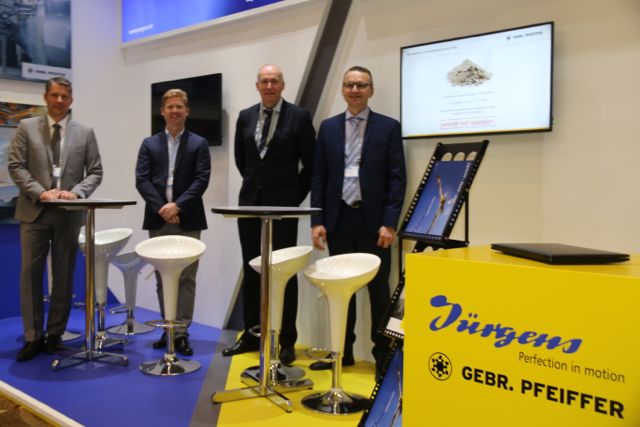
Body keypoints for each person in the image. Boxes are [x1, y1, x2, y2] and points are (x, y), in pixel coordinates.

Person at [310, 66, 406, 376]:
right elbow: (319, 177)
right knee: (341, 290)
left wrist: (390, 223)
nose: (355, 90)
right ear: (342, 90)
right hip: (338, 221)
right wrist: (318, 220)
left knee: (379, 292)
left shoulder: (388, 127)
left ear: (371, 90)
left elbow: (397, 178)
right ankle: (342, 352)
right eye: (350, 85)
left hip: (375, 224)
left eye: (361, 85)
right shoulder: (327, 128)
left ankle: (383, 357)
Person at [223, 64, 315, 365]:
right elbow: (243, 160)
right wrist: (257, 188)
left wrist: (292, 198)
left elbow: (311, 165)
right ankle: (252, 335)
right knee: (252, 272)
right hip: (250, 206)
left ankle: (287, 341)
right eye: (264, 81)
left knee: (285, 272)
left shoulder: (299, 117)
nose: (269, 86)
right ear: (257, 85)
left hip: (284, 209)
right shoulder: (246, 117)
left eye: (274, 81)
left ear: (282, 85)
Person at [8, 76, 103, 361]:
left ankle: (55, 335)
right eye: (55, 95)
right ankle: (32, 337)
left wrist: (76, 192)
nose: (59, 100)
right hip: (34, 211)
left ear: (71, 100)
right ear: (46, 97)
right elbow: (15, 165)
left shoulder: (85, 132)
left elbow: (95, 171)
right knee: (30, 275)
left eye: (65, 96)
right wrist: (40, 192)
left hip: (67, 214)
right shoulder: (26, 127)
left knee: (64, 275)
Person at [135, 88, 211, 356]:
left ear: (187, 111)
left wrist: (177, 206)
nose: (175, 111)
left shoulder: (199, 143)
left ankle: (181, 333)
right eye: (170, 107)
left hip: (188, 219)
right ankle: (168, 329)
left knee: (187, 278)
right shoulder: (149, 144)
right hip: (158, 220)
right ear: (162, 111)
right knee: (162, 277)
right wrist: (163, 208)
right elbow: (142, 180)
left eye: (179, 106)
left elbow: (202, 179)